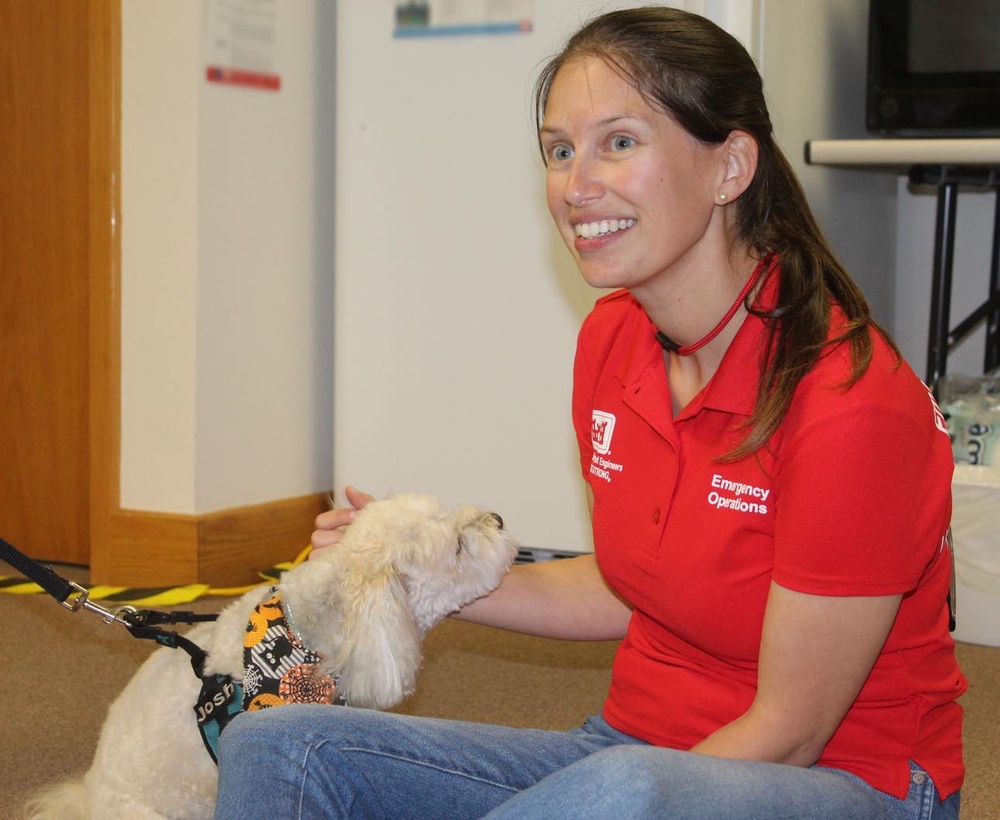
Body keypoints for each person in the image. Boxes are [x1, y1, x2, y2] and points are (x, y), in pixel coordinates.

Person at [214, 7, 965, 819]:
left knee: (620, 792)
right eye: (559, 151)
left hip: (846, 784)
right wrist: (424, 577)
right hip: (628, 753)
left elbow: (791, 732)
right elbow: (630, 584)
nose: (577, 186)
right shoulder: (614, 341)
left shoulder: (851, 406)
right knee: (281, 743)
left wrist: (610, 797)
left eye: (619, 143)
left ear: (730, 166)